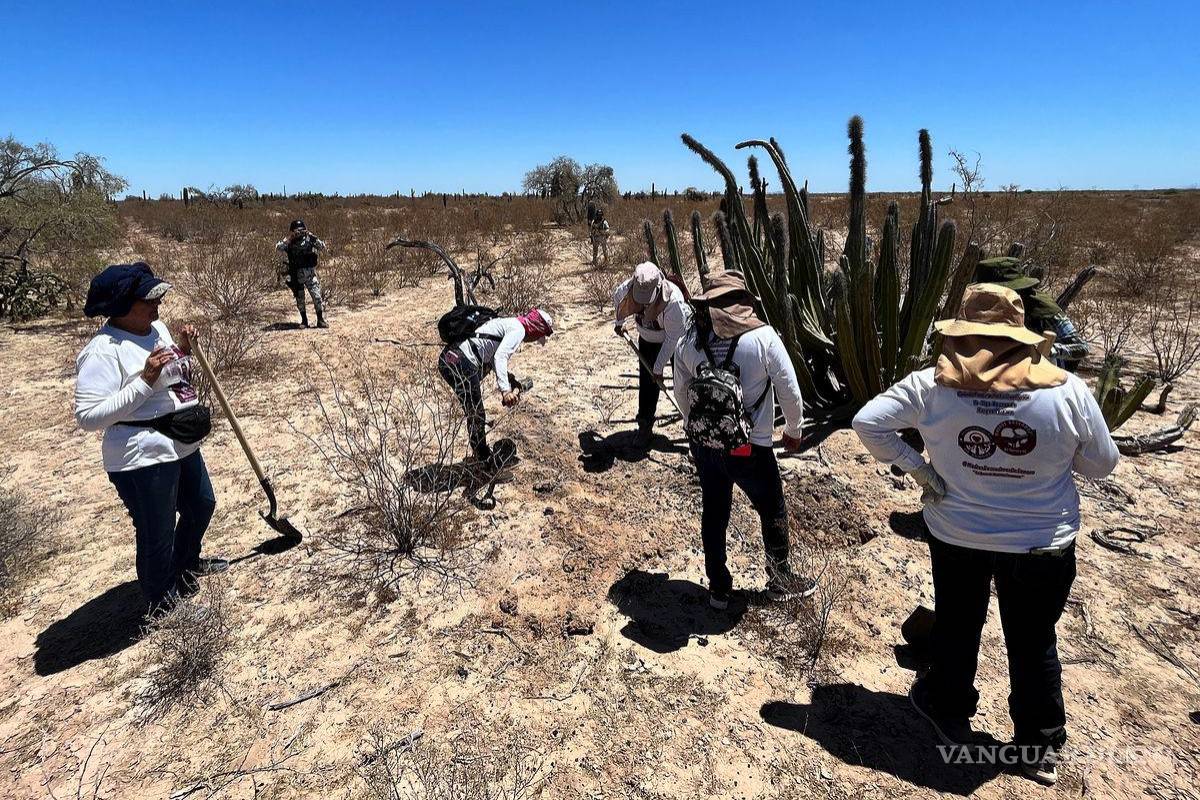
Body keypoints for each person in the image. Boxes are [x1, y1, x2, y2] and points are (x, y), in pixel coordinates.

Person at [852, 283, 1119, 786]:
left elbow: (867, 423)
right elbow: (1103, 465)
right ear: (1022, 336)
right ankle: (1037, 746)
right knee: (1034, 638)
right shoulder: (1065, 389)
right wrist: (1051, 463)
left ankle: (949, 710)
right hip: (1042, 539)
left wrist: (919, 469)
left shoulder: (929, 387)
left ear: (962, 332)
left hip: (958, 532)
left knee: (958, 622)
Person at [74, 263, 228, 616]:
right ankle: (162, 600)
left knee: (201, 504)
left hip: (179, 440)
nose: (157, 306)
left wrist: (184, 351)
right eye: (148, 300)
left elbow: (170, 375)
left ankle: (187, 562)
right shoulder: (102, 350)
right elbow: (88, 417)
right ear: (122, 306)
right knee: (156, 530)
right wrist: (143, 381)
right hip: (140, 453)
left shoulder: (155, 328)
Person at [672, 270, 809, 610]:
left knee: (715, 512)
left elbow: (681, 393)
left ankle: (718, 587)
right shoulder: (762, 338)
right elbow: (789, 389)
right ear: (742, 304)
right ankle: (779, 580)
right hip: (751, 446)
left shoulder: (689, 340)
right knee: (771, 507)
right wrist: (793, 429)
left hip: (705, 446)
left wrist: (697, 432)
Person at [437, 308, 554, 466]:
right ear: (537, 328)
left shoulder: (509, 323)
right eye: (538, 336)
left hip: (452, 358)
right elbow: (500, 356)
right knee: (476, 414)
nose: (535, 340)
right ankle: (484, 464)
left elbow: (491, 354)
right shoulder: (518, 330)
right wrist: (506, 391)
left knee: (474, 412)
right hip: (461, 362)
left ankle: (481, 457)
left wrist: (511, 380)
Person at [613, 262, 691, 448]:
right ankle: (645, 426)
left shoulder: (674, 303)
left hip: (675, 343)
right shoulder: (627, 288)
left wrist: (657, 369)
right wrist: (619, 322)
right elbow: (617, 298)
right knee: (647, 385)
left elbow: (672, 339)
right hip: (647, 340)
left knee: (683, 383)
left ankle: (693, 426)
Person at [975, 257, 1089, 371]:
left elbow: (1082, 348)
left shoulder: (1042, 309)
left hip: (1044, 372)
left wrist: (1047, 349)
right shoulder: (978, 305)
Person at [275, 219, 328, 329]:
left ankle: (320, 319)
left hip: (310, 274)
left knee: (317, 297)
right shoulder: (289, 242)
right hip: (296, 274)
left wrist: (312, 236)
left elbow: (322, 247)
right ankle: (304, 320)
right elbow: (278, 248)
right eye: (297, 230)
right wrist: (289, 238)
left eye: (301, 230)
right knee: (300, 299)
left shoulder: (309, 239)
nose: (299, 232)